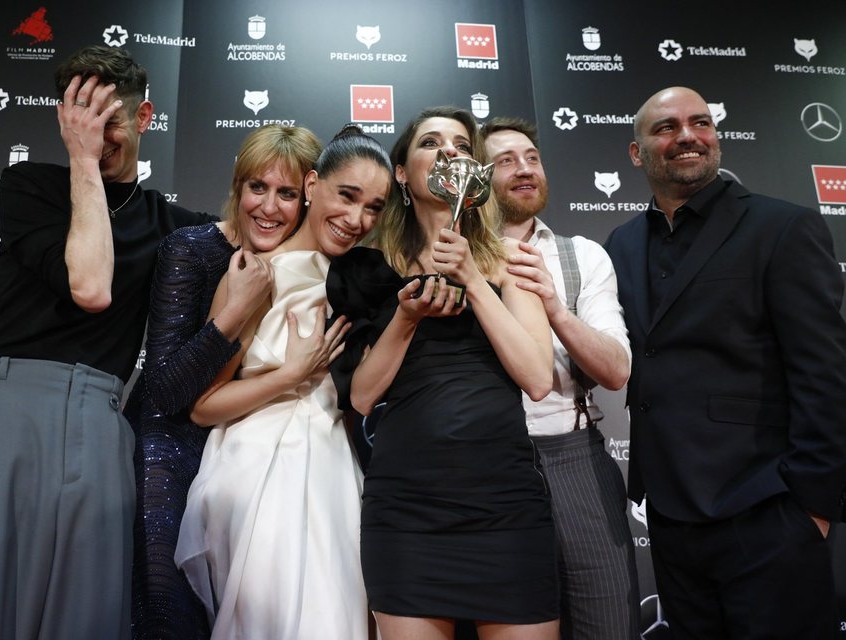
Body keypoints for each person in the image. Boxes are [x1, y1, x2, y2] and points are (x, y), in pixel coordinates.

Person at [0, 45, 213, 639]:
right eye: (80, 121)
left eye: (110, 122)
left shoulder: (174, 226)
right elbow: (90, 283)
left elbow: (273, 237)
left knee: (85, 615)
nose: (96, 138)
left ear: (146, 117)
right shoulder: (28, 185)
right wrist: (81, 157)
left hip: (100, 421)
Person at [604, 85, 846, 638]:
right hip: (669, 516)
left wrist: (811, 507)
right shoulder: (619, 244)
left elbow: (825, 374)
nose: (687, 135)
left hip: (766, 507)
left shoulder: (782, 228)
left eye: (701, 123)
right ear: (637, 153)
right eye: (666, 127)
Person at [327, 106, 558, 640]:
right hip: (407, 511)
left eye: (460, 143)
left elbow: (538, 379)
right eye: (431, 142)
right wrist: (407, 317)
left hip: (506, 507)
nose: (449, 150)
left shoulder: (512, 261)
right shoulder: (364, 268)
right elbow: (361, 397)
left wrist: (473, 278)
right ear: (403, 173)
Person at [175, 125, 394, 639]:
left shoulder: (364, 278)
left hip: (337, 465)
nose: (356, 219)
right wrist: (292, 374)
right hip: (261, 468)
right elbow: (204, 406)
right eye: (347, 196)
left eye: (374, 207)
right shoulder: (253, 276)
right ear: (314, 185)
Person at [124, 124, 322, 639]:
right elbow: (163, 393)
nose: (269, 208)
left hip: (245, 458)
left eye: (287, 194)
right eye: (258, 187)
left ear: (309, 198)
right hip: (166, 451)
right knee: (169, 611)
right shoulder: (190, 249)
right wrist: (236, 311)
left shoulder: (308, 267)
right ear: (237, 186)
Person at [481, 116, 640, 639]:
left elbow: (617, 370)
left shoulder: (582, 255)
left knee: (608, 623)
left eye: (532, 158)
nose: (524, 170)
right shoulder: (448, 258)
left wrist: (555, 306)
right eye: (505, 161)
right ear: (473, 177)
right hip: (481, 465)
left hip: (574, 457)